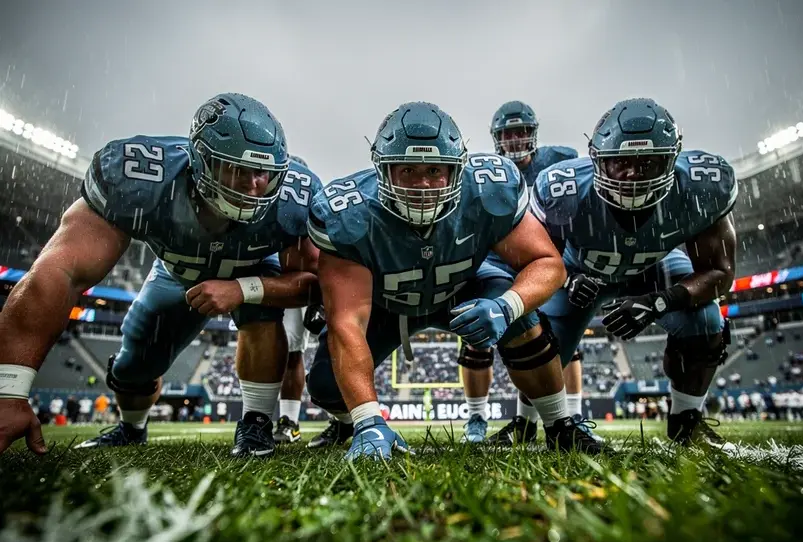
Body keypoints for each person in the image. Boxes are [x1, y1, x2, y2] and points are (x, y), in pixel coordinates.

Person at [0, 93, 321, 458]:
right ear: (202, 161)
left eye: (262, 174)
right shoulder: (143, 179)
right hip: (176, 274)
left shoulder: (296, 196)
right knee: (134, 365)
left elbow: (312, 286)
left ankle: (256, 423)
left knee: (264, 314)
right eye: (237, 170)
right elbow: (61, 271)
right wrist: (8, 390)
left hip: (257, 271)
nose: (252, 186)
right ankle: (132, 426)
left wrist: (244, 289)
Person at [305, 101, 606, 460]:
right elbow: (347, 321)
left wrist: (504, 307)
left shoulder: (486, 190)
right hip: (386, 304)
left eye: (434, 170)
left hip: (465, 286)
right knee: (325, 385)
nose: (422, 185)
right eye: (407, 171)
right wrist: (368, 419)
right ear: (383, 172)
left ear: (457, 170)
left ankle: (560, 424)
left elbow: (547, 265)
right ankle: (355, 422)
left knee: (519, 307)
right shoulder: (350, 213)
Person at [518, 97, 738, 446]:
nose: (633, 174)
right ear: (597, 160)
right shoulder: (565, 189)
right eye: (620, 162)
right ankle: (525, 422)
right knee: (535, 341)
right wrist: (570, 279)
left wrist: (660, 302)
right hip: (580, 269)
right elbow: (538, 261)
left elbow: (720, 274)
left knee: (708, 321)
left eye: (647, 162)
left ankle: (687, 419)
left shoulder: (700, 188)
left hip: (654, 268)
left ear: (671, 160)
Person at [458, 100, 583, 444]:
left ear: (533, 133)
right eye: (507, 133)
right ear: (496, 137)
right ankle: (477, 417)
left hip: (548, 259)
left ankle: (568, 414)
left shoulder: (562, 161)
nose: (514, 139)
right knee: (478, 335)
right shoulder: (484, 171)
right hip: (498, 262)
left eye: (521, 131)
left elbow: (578, 211)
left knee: (560, 341)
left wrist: (573, 263)